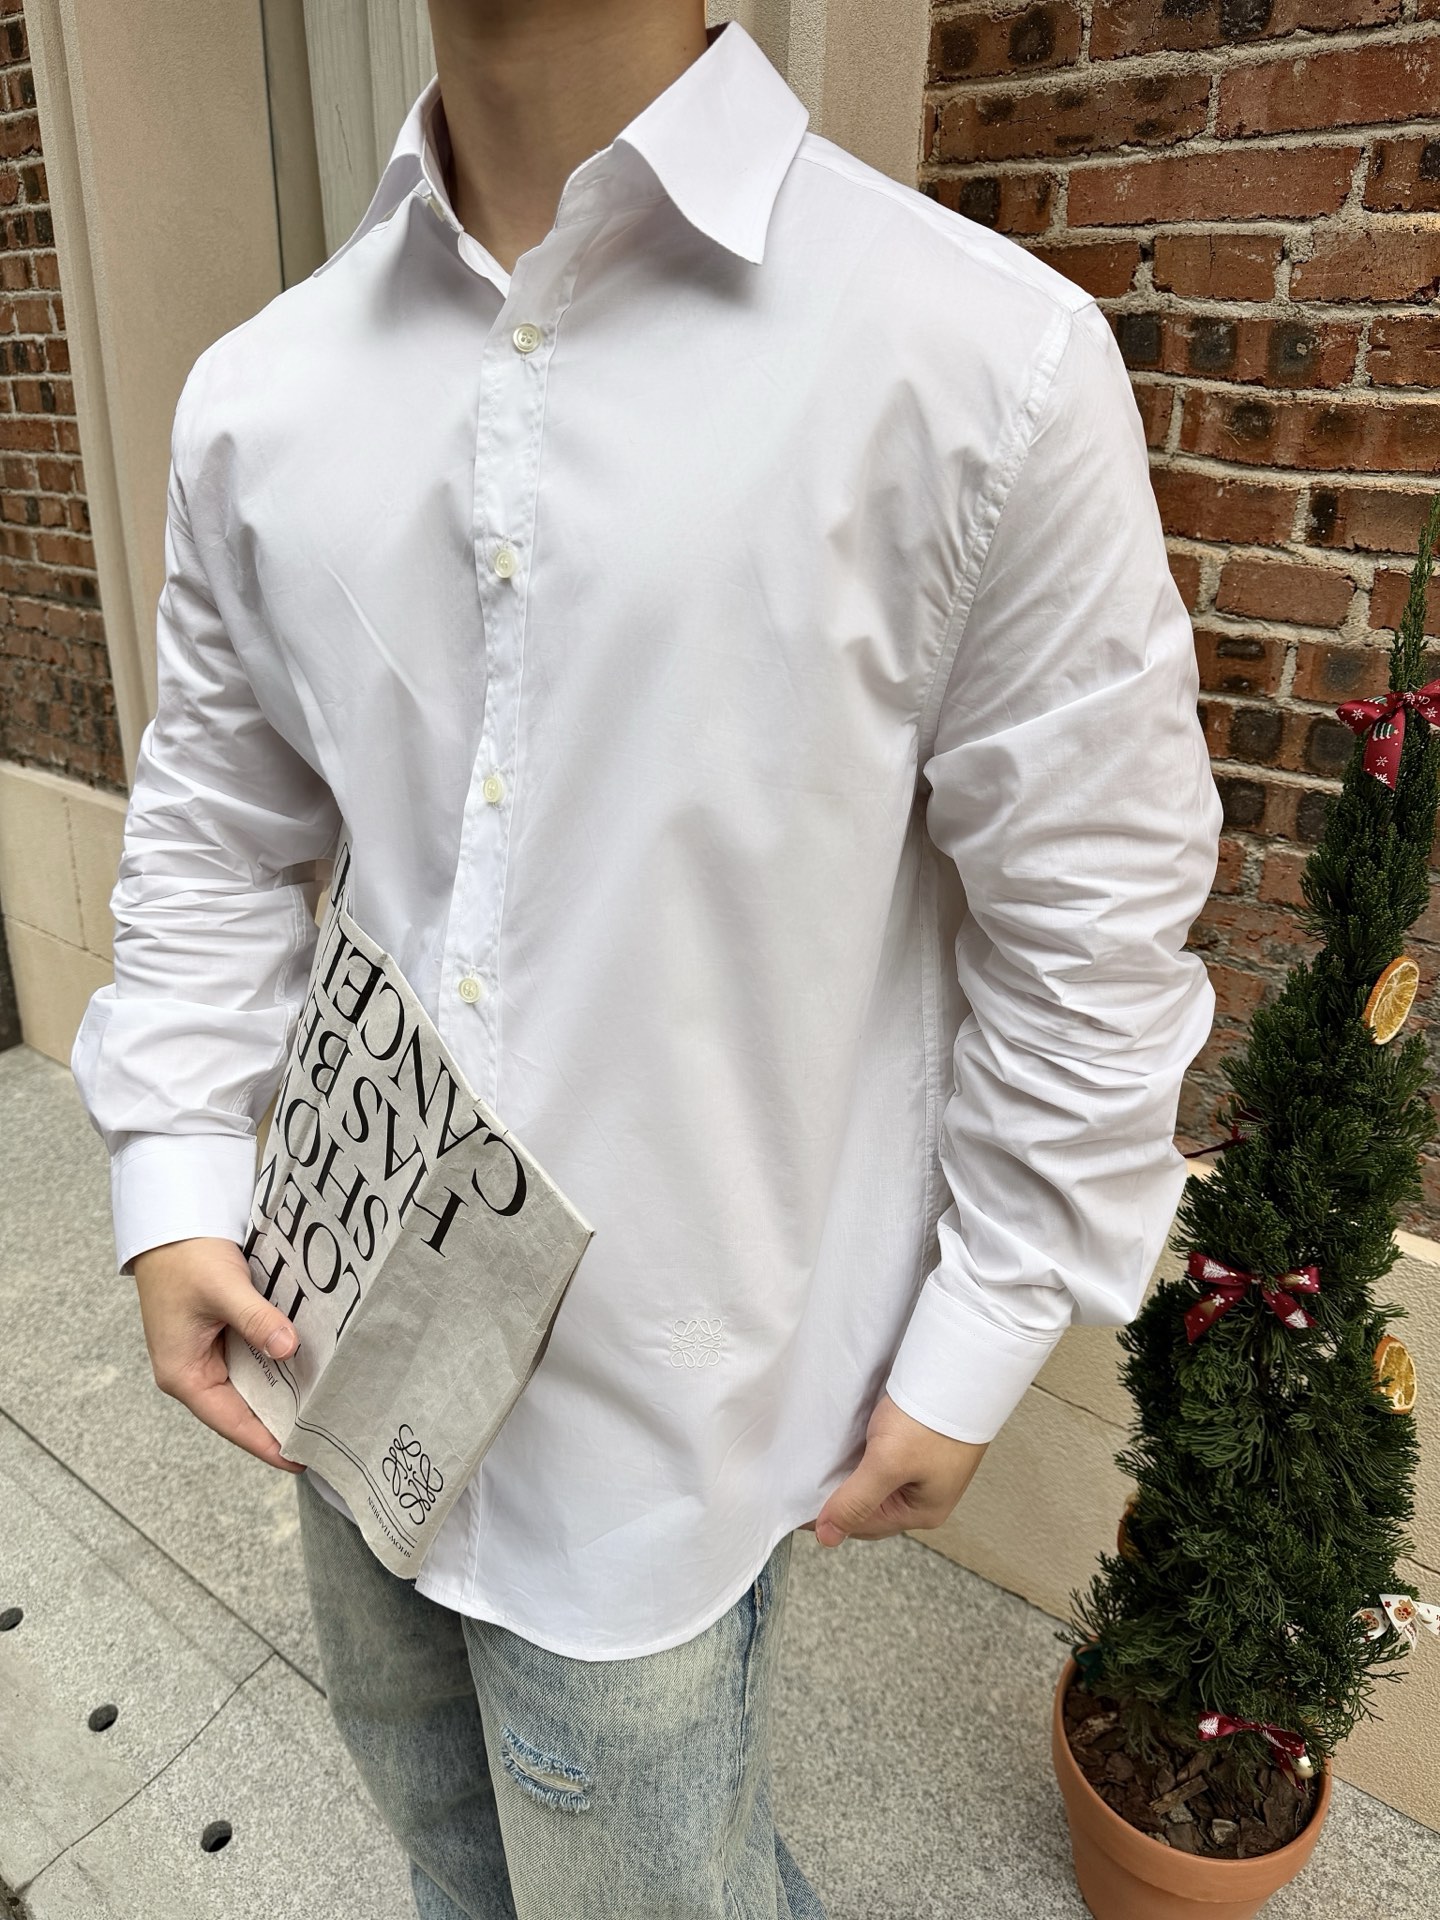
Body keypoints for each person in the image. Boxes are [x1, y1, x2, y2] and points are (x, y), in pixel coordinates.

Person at [69, 3, 1223, 1916]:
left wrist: (986, 1324)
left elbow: (1089, 921)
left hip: (669, 1429)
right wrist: (177, 1168)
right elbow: (215, 822)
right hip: (341, 1340)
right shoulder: (262, 399)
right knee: (450, 1865)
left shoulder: (971, 361)